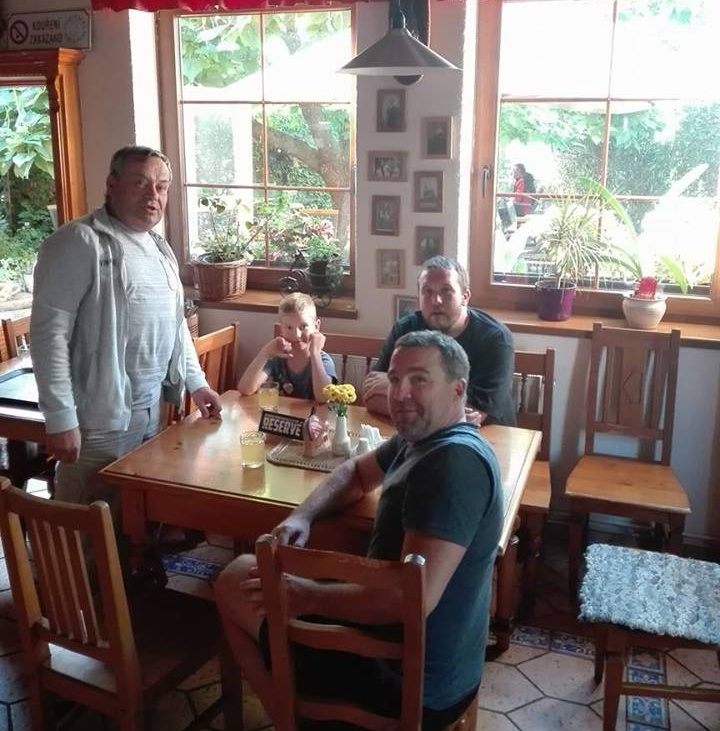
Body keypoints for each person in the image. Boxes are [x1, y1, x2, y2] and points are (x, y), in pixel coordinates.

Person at [215, 331, 502, 729]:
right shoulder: (423, 437)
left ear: (458, 389)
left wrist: (305, 595)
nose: (400, 393)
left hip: (412, 684)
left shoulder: (452, 465)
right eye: (395, 378)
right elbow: (355, 472)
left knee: (233, 580)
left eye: (419, 379)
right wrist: (302, 516)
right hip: (409, 651)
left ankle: (293, 722)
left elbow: (408, 600)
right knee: (260, 580)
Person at [30, 145, 222, 530]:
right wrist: (60, 418)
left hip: (150, 410)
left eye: (162, 187)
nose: (153, 195)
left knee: (128, 521)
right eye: (140, 183)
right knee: (84, 524)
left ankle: (122, 572)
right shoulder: (79, 242)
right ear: (112, 184)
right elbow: (49, 335)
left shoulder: (159, 247)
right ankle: (68, 573)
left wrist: (197, 382)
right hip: (96, 419)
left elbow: (175, 326)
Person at [363, 256, 515, 427]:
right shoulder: (405, 329)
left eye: (446, 291)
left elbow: (472, 416)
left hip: (486, 435)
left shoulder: (495, 338)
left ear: (465, 296)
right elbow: (372, 394)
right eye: (427, 292)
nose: (436, 301)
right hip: (414, 433)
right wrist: (445, 407)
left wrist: (399, 391)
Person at [237, 292, 336, 400]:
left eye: (303, 327)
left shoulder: (324, 360)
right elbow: (245, 389)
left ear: (316, 326)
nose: (296, 335)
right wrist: (265, 352)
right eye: (289, 327)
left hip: (312, 412)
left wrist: (315, 353)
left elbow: (323, 398)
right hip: (280, 411)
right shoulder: (277, 359)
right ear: (281, 329)